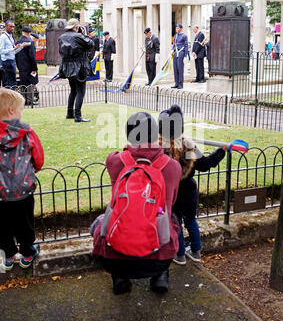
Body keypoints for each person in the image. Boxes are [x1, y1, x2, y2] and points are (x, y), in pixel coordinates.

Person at [91, 111, 182, 295]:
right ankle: (160, 276)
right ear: (156, 134)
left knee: (98, 223)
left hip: (115, 256)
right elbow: (171, 201)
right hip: (158, 256)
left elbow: (124, 152)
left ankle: (120, 278)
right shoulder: (173, 167)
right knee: (170, 218)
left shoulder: (114, 161)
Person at [158, 104, 226, 265]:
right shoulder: (188, 145)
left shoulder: (158, 148)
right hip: (189, 189)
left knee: (176, 222)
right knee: (190, 220)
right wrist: (221, 152)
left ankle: (180, 254)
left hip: (171, 192)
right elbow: (205, 164)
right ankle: (196, 251)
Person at [0, 88, 44, 271]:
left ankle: (8, 255)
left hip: (1, 193)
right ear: (11, 111)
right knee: (25, 223)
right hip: (24, 189)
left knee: (3, 225)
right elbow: (39, 158)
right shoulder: (27, 132)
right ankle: (27, 252)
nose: (21, 114)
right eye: (20, 110)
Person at [58, 18, 94, 123]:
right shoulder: (78, 36)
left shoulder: (61, 37)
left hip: (67, 66)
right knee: (80, 91)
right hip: (79, 66)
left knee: (73, 90)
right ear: (76, 27)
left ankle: (70, 113)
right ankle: (78, 116)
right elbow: (91, 45)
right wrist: (84, 34)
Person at [15, 26, 39, 105]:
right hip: (29, 67)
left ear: (22, 32)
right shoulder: (30, 42)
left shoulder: (17, 42)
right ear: (29, 33)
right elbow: (32, 56)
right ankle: (30, 100)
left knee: (23, 84)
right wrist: (34, 68)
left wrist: (19, 66)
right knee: (30, 84)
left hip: (21, 67)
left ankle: (23, 100)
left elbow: (16, 55)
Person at [0, 20, 27, 88]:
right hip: (6, 62)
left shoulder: (11, 37)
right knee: (9, 82)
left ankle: (13, 96)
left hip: (12, 61)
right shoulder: (3, 37)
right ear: (6, 27)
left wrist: (21, 47)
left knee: (13, 82)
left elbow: (13, 52)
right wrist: (14, 49)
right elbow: (1, 51)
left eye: (13, 27)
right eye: (10, 26)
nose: (12, 28)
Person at [172, 23, 188, 89]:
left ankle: (180, 84)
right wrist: (172, 50)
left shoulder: (184, 36)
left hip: (181, 52)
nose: (177, 29)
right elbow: (174, 45)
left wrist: (185, 55)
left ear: (181, 29)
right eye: (176, 28)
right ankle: (176, 83)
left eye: (178, 28)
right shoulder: (175, 36)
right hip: (176, 53)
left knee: (180, 69)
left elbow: (186, 45)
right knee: (175, 69)